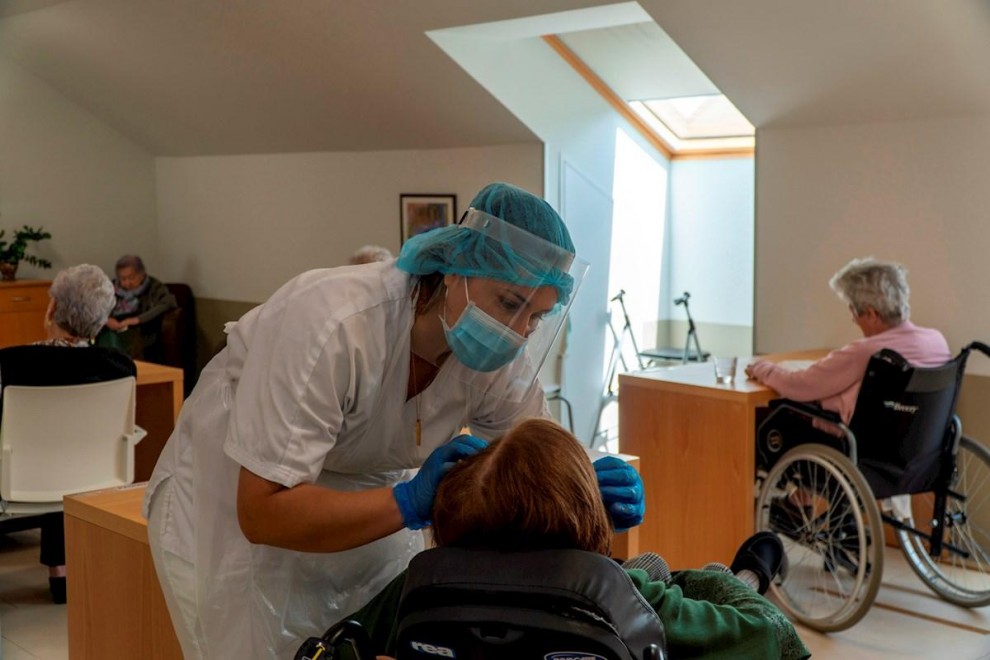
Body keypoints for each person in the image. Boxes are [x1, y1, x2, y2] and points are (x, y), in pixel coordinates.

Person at [142, 182, 644, 659]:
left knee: (373, 638)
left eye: (536, 317)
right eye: (510, 303)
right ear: (455, 267)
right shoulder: (333, 324)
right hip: (235, 506)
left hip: (368, 502)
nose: (518, 331)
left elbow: (539, 450)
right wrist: (407, 501)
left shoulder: (499, 360)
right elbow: (262, 513)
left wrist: (587, 483)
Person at [342, 418, 809, 660]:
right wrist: (710, 584)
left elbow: (336, 646)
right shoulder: (622, 597)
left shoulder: (417, 589)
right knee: (671, 571)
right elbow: (772, 638)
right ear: (587, 520)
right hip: (643, 586)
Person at [746, 257, 951, 522]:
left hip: (861, 452)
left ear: (871, 313)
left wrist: (761, 368)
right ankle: (799, 501)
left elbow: (799, 386)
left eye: (854, 311)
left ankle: (785, 507)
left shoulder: (867, 352)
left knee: (770, 420)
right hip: (918, 453)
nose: (853, 319)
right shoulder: (935, 341)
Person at [0, 264, 136, 603]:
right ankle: (62, 573)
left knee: (38, 448)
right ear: (103, 320)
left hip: (18, 480)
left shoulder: (11, 363)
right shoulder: (119, 366)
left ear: (51, 310)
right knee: (64, 450)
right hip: (91, 479)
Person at [100, 254, 177, 363]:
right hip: (111, 328)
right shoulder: (111, 287)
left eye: (131, 277)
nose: (127, 283)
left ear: (142, 274)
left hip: (140, 330)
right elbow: (96, 307)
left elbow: (168, 302)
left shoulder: (154, 286)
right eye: (122, 278)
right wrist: (107, 320)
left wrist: (136, 320)